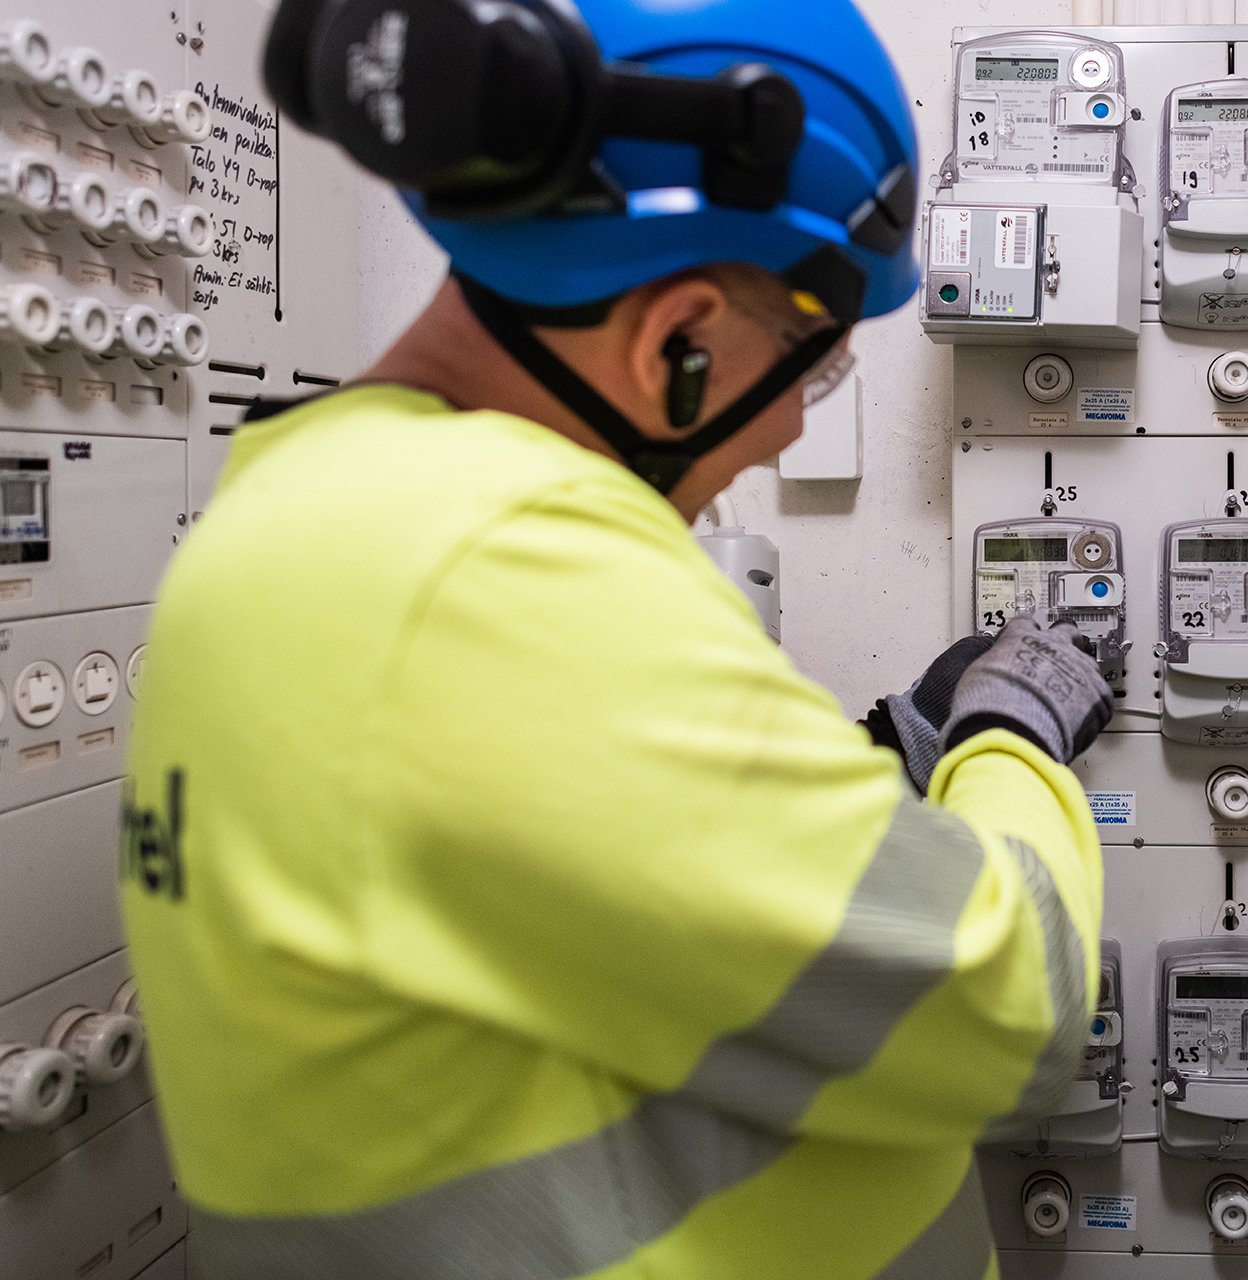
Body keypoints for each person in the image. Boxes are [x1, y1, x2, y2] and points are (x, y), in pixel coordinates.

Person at [114, 0, 1114, 1276]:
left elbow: (590, 894)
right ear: (677, 340)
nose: (789, 429)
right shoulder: (496, 576)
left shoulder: (320, 511)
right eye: (813, 373)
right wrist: (1008, 736)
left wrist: (888, 764)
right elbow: (1013, 1009)